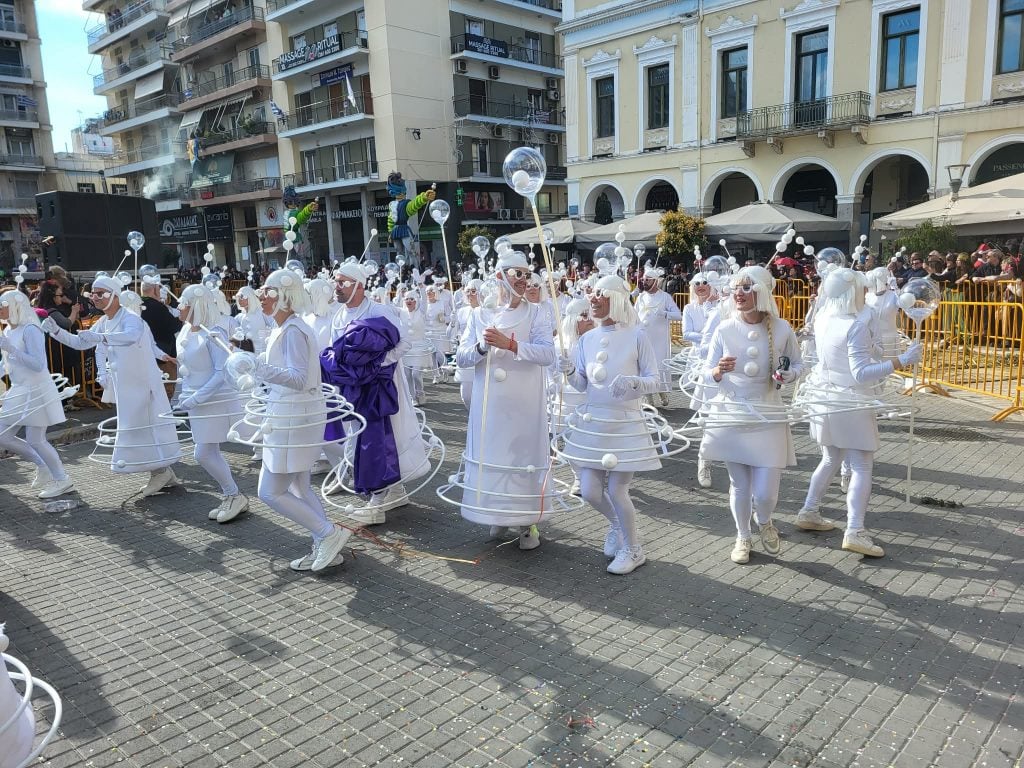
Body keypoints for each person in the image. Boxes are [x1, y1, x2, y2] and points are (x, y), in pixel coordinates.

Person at [795, 268, 923, 557]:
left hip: (824, 398)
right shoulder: (853, 324)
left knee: (830, 458)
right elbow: (862, 373)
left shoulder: (825, 316)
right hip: (849, 402)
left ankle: (809, 510)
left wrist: (878, 347)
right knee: (862, 466)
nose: (865, 293)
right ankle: (855, 529)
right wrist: (902, 360)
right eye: (861, 289)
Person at [232, 269, 350, 572]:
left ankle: (329, 534)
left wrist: (258, 367)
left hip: (294, 417)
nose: (260, 295)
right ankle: (323, 542)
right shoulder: (284, 328)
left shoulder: (294, 330)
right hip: (290, 414)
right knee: (299, 488)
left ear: (284, 295)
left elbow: (298, 379)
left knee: (269, 491)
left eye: (267, 290)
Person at [558, 276, 662, 573]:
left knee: (617, 490)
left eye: (600, 293)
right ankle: (617, 524)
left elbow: (654, 379)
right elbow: (582, 384)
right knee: (590, 490)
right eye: (592, 293)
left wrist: (632, 382)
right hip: (593, 423)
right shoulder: (586, 339)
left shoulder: (637, 335)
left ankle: (633, 548)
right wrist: (567, 371)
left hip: (624, 423)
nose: (592, 298)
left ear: (616, 298)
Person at [42, 276, 182, 496]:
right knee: (139, 429)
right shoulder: (104, 321)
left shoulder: (131, 318)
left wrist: (101, 337)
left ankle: (161, 471)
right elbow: (81, 343)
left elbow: (130, 336)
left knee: (144, 428)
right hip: (126, 385)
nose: (95, 298)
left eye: (101, 293)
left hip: (143, 385)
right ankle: (164, 471)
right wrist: (56, 332)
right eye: (93, 294)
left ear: (115, 296)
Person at [700, 266, 802, 564]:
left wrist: (786, 375)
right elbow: (706, 373)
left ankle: (765, 519)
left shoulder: (781, 328)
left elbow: (798, 364)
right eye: (736, 288)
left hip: (768, 413)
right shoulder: (724, 328)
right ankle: (742, 536)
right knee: (739, 485)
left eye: (747, 288)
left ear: (762, 291)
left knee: (767, 492)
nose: (739, 294)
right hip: (733, 413)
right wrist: (719, 370)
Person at [455, 250, 556, 550]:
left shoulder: (537, 312)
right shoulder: (478, 315)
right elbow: (461, 357)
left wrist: (512, 345)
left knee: (521, 457)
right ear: (500, 276)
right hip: (491, 404)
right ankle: (496, 512)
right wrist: (482, 347)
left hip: (524, 402)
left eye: (527, 274)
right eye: (518, 274)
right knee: (494, 455)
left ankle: (528, 523)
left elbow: (548, 354)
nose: (525, 280)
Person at [322, 261, 429, 525]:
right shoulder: (338, 315)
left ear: (359, 285)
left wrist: (377, 364)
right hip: (353, 388)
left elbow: (404, 341)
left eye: (343, 282)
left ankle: (376, 503)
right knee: (359, 437)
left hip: (381, 388)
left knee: (377, 440)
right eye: (336, 281)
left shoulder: (379, 310)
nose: (337, 287)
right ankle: (397, 490)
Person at [174, 284, 247, 523]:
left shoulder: (213, 333)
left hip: (215, 400)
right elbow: (186, 367)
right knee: (206, 451)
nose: (178, 306)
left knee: (203, 453)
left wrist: (197, 397)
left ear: (195, 305)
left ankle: (234, 495)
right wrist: (184, 395)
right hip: (197, 401)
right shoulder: (186, 331)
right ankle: (232, 495)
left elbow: (221, 372)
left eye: (183, 303)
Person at [0, 289, 75, 499]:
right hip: (19, 390)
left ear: (15, 306)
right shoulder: (8, 331)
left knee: (36, 439)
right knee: (3, 436)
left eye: (2, 305)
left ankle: (62, 479)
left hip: (37, 390)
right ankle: (42, 465)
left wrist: (12, 350)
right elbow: (7, 364)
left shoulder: (30, 329)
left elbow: (38, 364)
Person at [634, 264, 682, 407]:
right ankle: (649, 400)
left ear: (655, 281)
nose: (644, 282)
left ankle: (662, 393)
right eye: (643, 279)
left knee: (659, 365)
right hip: (644, 338)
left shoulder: (665, 297)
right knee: (644, 366)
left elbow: (678, 315)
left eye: (647, 280)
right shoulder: (641, 297)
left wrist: (665, 314)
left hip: (659, 340)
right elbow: (634, 315)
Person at [140, 277, 183, 400]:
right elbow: (173, 327)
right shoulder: (157, 307)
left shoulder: (136, 305)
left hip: (144, 355)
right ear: (155, 289)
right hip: (163, 356)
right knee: (165, 389)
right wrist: (181, 318)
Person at [386, 172, 435, 269]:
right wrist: (390, 232)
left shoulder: (406, 204)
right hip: (395, 230)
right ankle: (402, 271)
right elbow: (390, 220)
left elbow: (414, 204)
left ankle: (415, 268)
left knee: (410, 250)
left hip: (404, 229)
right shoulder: (392, 205)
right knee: (398, 252)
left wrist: (424, 197)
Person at [453, 278, 482, 408]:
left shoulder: (487, 311)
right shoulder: (462, 311)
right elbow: (452, 334)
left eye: (473, 291)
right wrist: (453, 322)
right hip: (467, 356)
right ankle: (473, 420)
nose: (470, 294)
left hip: (483, 356)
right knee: (466, 396)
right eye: (468, 291)